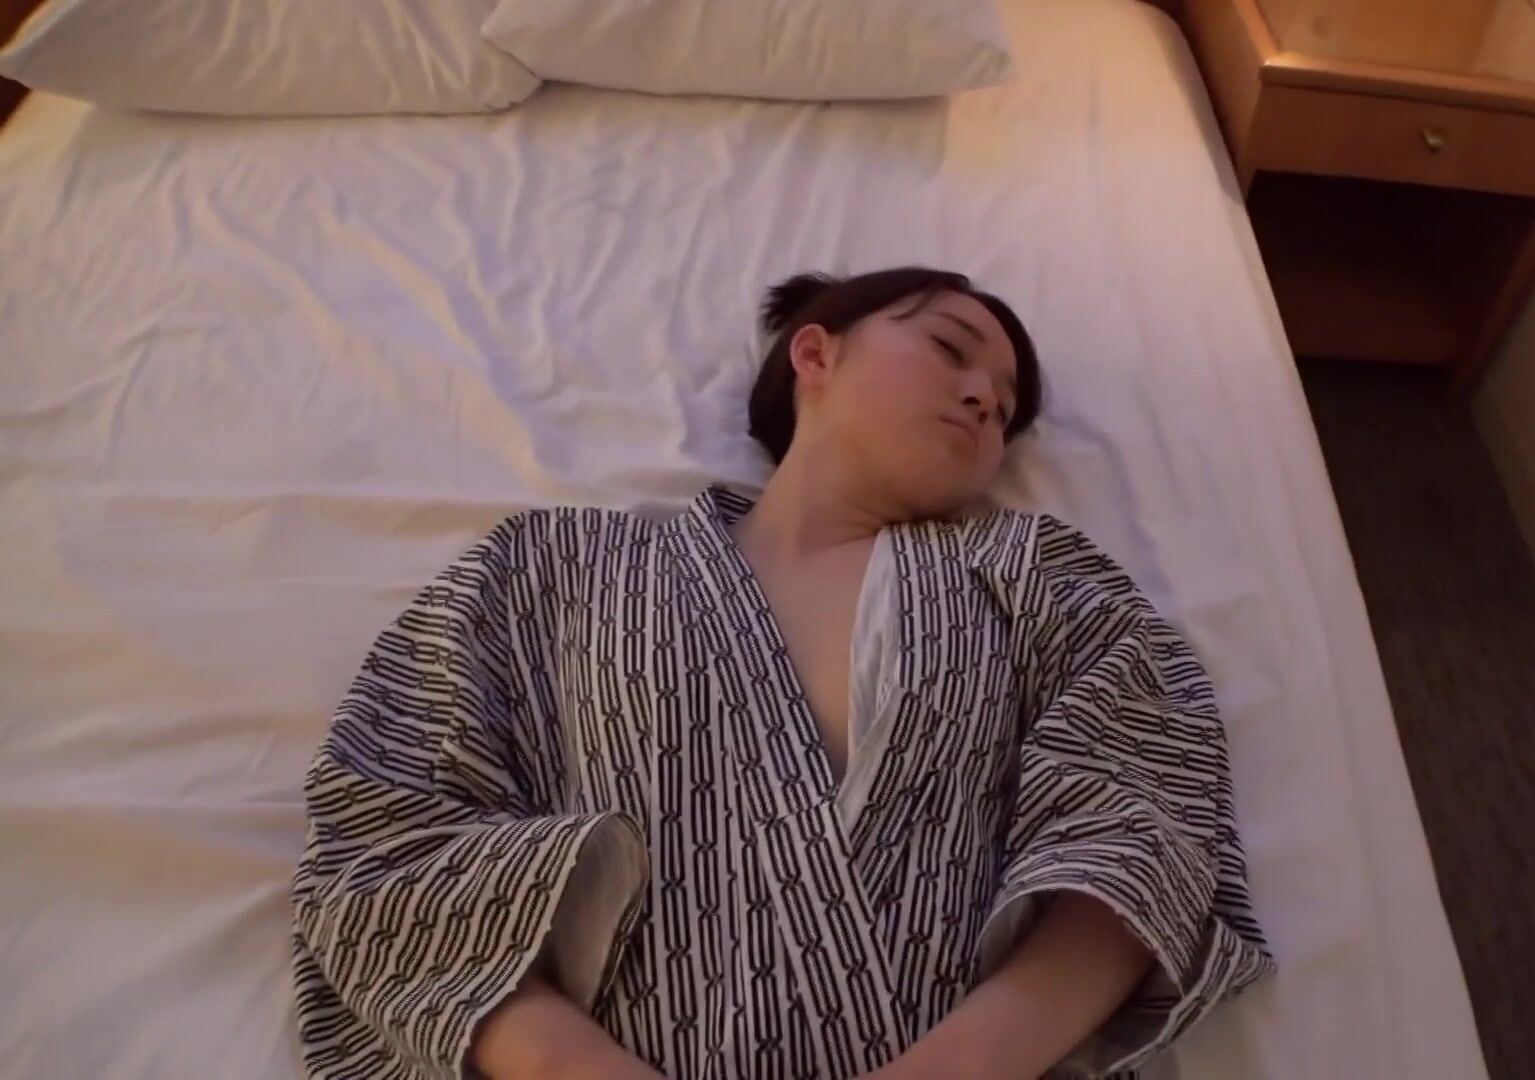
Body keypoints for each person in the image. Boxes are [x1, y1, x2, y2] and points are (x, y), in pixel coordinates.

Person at [290, 267, 1274, 1079]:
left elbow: (1148, 825)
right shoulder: (554, 569)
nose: (985, 399)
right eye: (950, 349)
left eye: (1007, 408)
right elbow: (386, 840)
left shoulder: (1036, 576)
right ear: (816, 353)